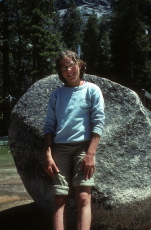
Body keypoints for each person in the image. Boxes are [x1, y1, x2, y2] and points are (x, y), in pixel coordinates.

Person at [44, 50, 105, 230]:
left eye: (70, 64)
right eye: (63, 67)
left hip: (83, 148)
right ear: (60, 72)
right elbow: (49, 127)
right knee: (59, 197)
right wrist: (48, 155)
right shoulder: (56, 95)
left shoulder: (92, 90)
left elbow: (98, 122)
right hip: (59, 148)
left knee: (83, 197)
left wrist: (90, 154)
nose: (68, 70)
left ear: (79, 64)